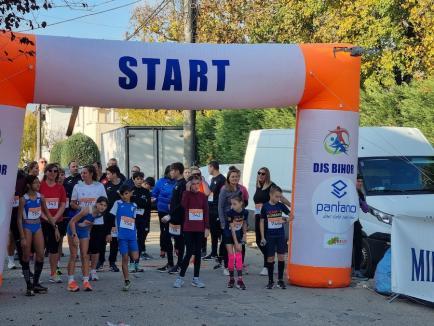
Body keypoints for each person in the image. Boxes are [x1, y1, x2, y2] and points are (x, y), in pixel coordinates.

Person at [17, 175, 60, 296]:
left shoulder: (41, 197)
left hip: (37, 226)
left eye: (38, 183)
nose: (38, 185)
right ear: (29, 185)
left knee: (40, 256)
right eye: (35, 183)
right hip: (27, 227)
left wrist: (55, 227)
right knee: (26, 256)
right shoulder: (23, 199)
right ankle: (28, 286)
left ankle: (35, 283)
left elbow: (48, 215)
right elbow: (19, 219)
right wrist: (22, 237)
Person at [70, 165, 107, 281]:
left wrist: (93, 217)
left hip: (97, 221)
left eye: (85, 173)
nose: (82, 175)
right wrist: (82, 210)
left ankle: (93, 270)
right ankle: (84, 270)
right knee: (84, 249)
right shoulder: (77, 186)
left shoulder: (99, 186)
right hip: (82, 221)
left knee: (95, 248)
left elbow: (104, 204)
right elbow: (72, 203)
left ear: (91, 174)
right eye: (82, 173)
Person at [173, 175, 209, 288]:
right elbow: (183, 206)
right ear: (189, 185)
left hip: (199, 228)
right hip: (188, 228)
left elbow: (206, 212)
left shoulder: (202, 196)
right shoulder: (186, 194)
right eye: (193, 184)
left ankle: (196, 278)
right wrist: (187, 191)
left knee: (198, 253)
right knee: (188, 253)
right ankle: (180, 277)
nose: (196, 186)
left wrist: (207, 227)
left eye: (198, 183)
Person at [254, 167, 291, 276]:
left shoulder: (271, 185)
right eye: (259, 173)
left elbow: (281, 198)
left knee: (265, 240)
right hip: (258, 216)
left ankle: (267, 265)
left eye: (263, 174)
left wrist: (291, 205)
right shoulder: (258, 186)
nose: (260, 175)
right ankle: (270, 261)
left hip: (269, 218)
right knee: (258, 241)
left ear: (267, 175)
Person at [66, 197, 108, 292]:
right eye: (101, 204)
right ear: (96, 204)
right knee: (73, 255)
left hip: (84, 231)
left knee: (85, 255)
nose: (102, 207)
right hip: (73, 229)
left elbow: (90, 222)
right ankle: (71, 282)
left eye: (105, 206)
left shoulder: (100, 214)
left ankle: (86, 281)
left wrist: (88, 233)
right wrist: (74, 235)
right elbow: (72, 221)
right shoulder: (86, 210)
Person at [107, 185, 140, 291]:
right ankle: (126, 280)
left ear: (131, 193)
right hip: (121, 236)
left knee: (135, 257)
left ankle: (131, 254)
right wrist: (111, 232)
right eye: (122, 194)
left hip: (132, 235)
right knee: (124, 258)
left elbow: (134, 220)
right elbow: (111, 217)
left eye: (126, 193)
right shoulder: (118, 203)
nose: (124, 196)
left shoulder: (134, 205)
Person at [217, 168, 248, 275]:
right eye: (233, 177)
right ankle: (226, 266)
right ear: (228, 178)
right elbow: (220, 207)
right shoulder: (224, 189)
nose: (235, 178)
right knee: (228, 244)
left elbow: (242, 204)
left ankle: (239, 265)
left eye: (237, 176)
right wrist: (222, 222)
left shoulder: (240, 189)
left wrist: (244, 221)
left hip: (239, 221)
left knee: (240, 244)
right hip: (227, 221)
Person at [39, 163, 67, 283]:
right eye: (50, 171)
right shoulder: (40, 186)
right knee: (40, 249)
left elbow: (62, 204)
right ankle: (37, 275)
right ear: (45, 172)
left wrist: (54, 219)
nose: (53, 173)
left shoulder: (60, 188)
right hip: (42, 221)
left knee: (54, 249)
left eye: (55, 171)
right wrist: (48, 219)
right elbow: (36, 205)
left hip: (57, 222)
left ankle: (53, 273)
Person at [259, 185, 290, 289]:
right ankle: (270, 281)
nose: (278, 199)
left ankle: (280, 280)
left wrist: (285, 220)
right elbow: (262, 222)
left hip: (280, 235)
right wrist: (263, 237)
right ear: (270, 195)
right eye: (277, 196)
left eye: (280, 197)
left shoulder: (281, 206)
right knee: (270, 258)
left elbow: (292, 215)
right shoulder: (265, 206)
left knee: (281, 256)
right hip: (269, 236)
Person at [159, 162, 186, 274]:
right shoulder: (176, 183)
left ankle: (179, 265)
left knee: (179, 241)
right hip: (172, 217)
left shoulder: (183, 184)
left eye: (172, 170)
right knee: (166, 238)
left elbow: (182, 203)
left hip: (178, 218)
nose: (170, 172)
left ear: (178, 171)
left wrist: (170, 214)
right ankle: (170, 263)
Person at [98, 165, 123, 272]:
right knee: (102, 240)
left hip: (117, 218)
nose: (107, 176)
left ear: (115, 174)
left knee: (114, 241)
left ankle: (112, 262)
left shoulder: (123, 185)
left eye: (108, 173)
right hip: (105, 217)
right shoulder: (105, 185)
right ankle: (100, 261)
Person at [223, 195, 248, 290]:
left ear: (241, 203)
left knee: (239, 256)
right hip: (229, 235)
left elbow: (245, 223)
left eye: (234, 204)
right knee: (231, 256)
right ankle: (231, 279)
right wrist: (236, 243)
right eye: (231, 204)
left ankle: (240, 280)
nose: (232, 206)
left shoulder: (245, 212)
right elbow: (232, 229)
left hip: (239, 234)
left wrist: (245, 235)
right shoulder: (230, 213)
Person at [203, 160, 226, 261]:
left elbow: (211, 193)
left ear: (212, 167)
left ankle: (220, 254)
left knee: (219, 233)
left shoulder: (221, 179)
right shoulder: (213, 179)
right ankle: (213, 252)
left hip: (217, 210)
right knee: (213, 232)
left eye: (208, 167)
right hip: (211, 209)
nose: (208, 170)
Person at [152, 165, 176, 261]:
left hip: (174, 210)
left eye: (174, 171)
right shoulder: (161, 181)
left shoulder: (178, 182)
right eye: (171, 171)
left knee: (175, 229)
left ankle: (177, 247)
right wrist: (156, 200)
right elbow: (154, 194)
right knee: (164, 231)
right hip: (163, 209)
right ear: (167, 172)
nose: (173, 173)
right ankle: (163, 248)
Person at [7, 170, 27, 270]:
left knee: (20, 237)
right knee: (11, 237)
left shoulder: (22, 177)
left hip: (19, 211)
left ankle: (23, 262)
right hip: (8, 212)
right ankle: (10, 261)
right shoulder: (6, 177)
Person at [131, 171, 152, 262]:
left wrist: (147, 222)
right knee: (132, 241)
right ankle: (131, 262)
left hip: (143, 219)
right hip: (132, 219)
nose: (139, 181)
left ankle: (137, 262)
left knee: (141, 241)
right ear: (134, 180)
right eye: (137, 179)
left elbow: (148, 208)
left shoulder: (146, 191)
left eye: (141, 179)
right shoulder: (130, 190)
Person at [190, 166, 211, 257]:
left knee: (202, 230)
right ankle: (192, 249)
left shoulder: (203, 183)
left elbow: (207, 193)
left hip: (201, 209)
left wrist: (202, 181)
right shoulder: (189, 183)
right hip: (191, 210)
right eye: (194, 174)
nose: (196, 176)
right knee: (192, 230)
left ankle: (203, 248)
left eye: (198, 174)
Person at [353, 175, 369, 279]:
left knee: (358, 245)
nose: (360, 183)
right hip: (345, 221)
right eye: (358, 181)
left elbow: (366, 209)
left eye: (361, 181)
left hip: (355, 222)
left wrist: (361, 201)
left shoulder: (360, 193)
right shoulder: (348, 191)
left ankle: (357, 270)